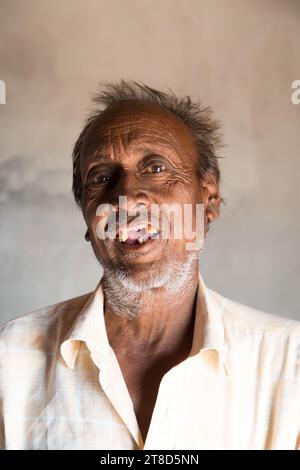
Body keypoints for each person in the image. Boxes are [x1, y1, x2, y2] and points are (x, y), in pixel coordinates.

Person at [0, 81, 299, 450]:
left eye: (155, 167)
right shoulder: (11, 355)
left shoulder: (289, 361)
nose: (126, 196)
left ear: (209, 199)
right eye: (101, 177)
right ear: (87, 218)